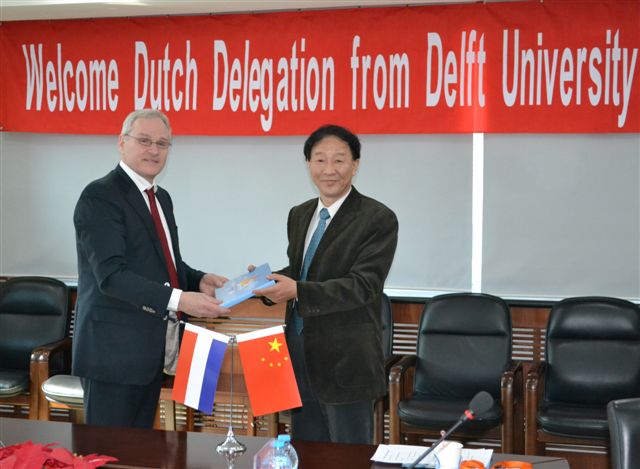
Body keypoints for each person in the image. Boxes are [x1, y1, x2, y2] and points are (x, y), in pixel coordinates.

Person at [72, 109, 230, 428]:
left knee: (140, 450)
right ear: (122, 143)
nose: (154, 150)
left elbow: (163, 264)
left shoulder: (160, 198)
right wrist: (181, 300)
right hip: (112, 355)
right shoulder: (100, 196)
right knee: (108, 451)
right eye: (144, 141)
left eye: (162, 143)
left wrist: (198, 280)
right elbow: (111, 276)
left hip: (149, 353)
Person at [253, 124, 398, 444]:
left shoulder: (377, 218)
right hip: (298, 353)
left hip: (346, 360)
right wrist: (264, 282)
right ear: (308, 164)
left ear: (355, 165)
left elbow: (364, 285)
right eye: (320, 160)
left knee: (349, 456)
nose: (329, 169)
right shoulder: (299, 214)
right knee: (306, 449)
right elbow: (302, 270)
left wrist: (297, 290)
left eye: (339, 160)